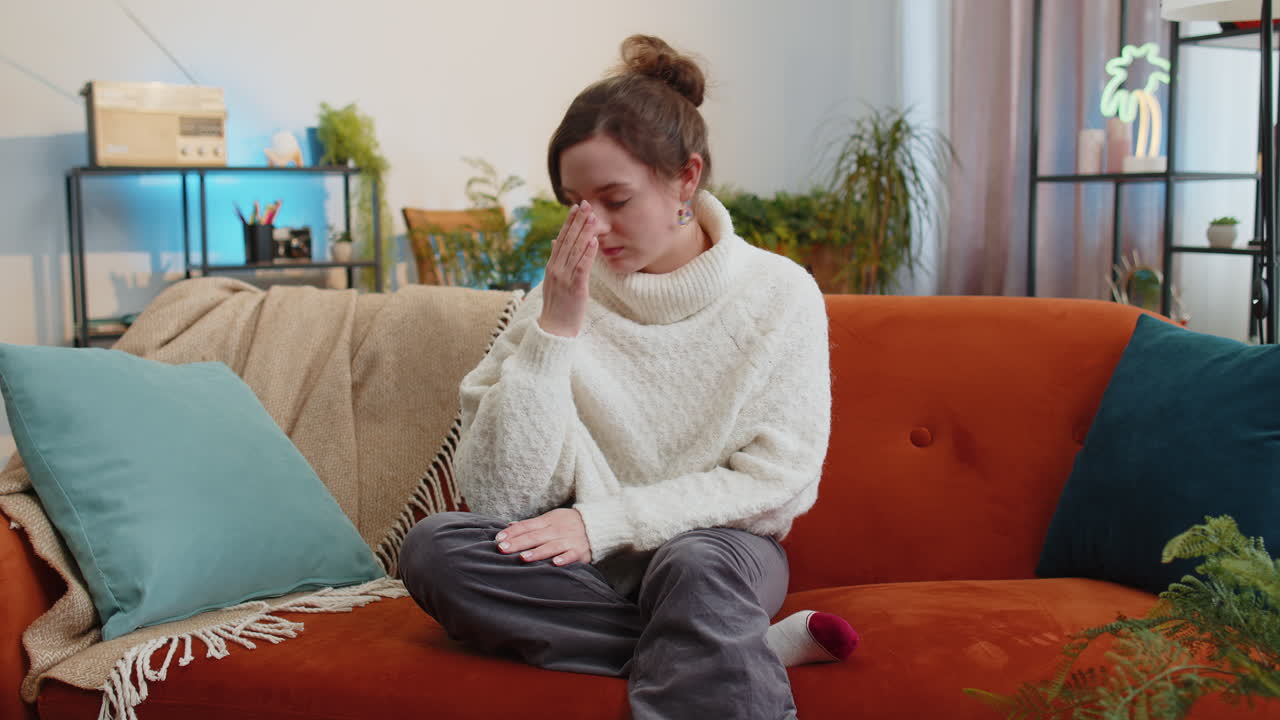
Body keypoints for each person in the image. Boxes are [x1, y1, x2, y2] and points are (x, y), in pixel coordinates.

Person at [399, 34, 857, 719]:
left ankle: (713, 634)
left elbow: (774, 482)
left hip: (718, 555)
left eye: (615, 199)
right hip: (583, 572)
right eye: (573, 204)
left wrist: (607, 521)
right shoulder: (557, 299)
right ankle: (736, 650)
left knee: (692, 567)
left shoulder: (779, 293)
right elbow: (499, 496)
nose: (594, 227)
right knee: (434, 550)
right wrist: (556, 328)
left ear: (687, 180)